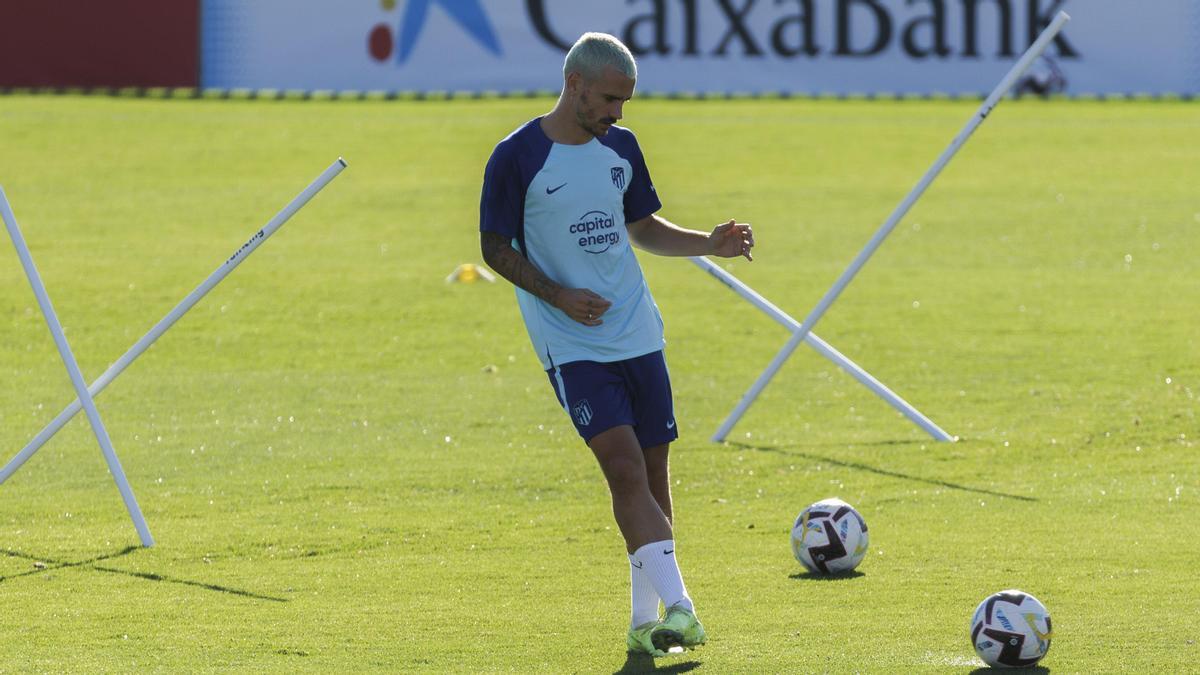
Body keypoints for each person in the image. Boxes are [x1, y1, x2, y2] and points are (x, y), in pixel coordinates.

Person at [478, 32, 754, 657]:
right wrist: (556, 295)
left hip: (639, 333)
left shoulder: (621, 147)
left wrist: (707, 243)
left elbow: (642, 227)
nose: (618, 114)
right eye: (609, 99)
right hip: (571, 343)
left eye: (625, 102)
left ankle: (642, 622)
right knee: (624, 468)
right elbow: (494, 249)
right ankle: (683, 609)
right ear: (573, 84)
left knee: (654, 476)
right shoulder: (515, 157)